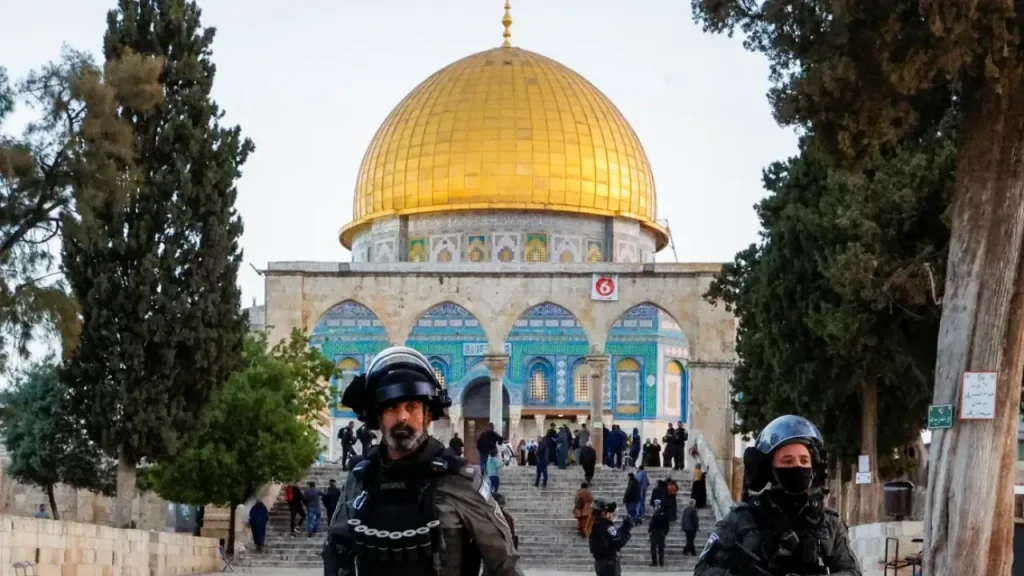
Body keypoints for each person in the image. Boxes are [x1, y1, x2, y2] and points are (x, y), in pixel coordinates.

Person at [322, 346, 523, 576]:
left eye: (412, 407)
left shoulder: (459, 481)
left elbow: (504, 564)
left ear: (427, 416)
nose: (402, 417)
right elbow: (337, 552)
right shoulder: (361, 479)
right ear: (379, 417)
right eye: (392, 407)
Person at [694, 415, 862, 576]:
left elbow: (852, 572)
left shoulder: (828, 522)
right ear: (770, 469)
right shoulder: (740, 519)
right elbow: (703, 571)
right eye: (787, 461)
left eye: (804, 461)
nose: (798, 467)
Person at [588, 498, 633, 576]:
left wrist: (623, 527)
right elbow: (619, 541)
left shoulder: (595, 524)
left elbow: (613, 535)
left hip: (600, 563)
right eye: (608, 511)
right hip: (609, 565)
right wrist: (627, 527)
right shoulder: (607, 525)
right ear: (602, 513)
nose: (611, 513)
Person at [648, 499, 669, 567]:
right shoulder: (665, 514)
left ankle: (654, 562)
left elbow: (652, 524)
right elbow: (667, 525)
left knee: (653, 548)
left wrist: (649, 531)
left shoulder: (655, 514)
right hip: (662, 533)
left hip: (655, 533)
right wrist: (665, 533)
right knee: (661, 549)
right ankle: (661, 562)